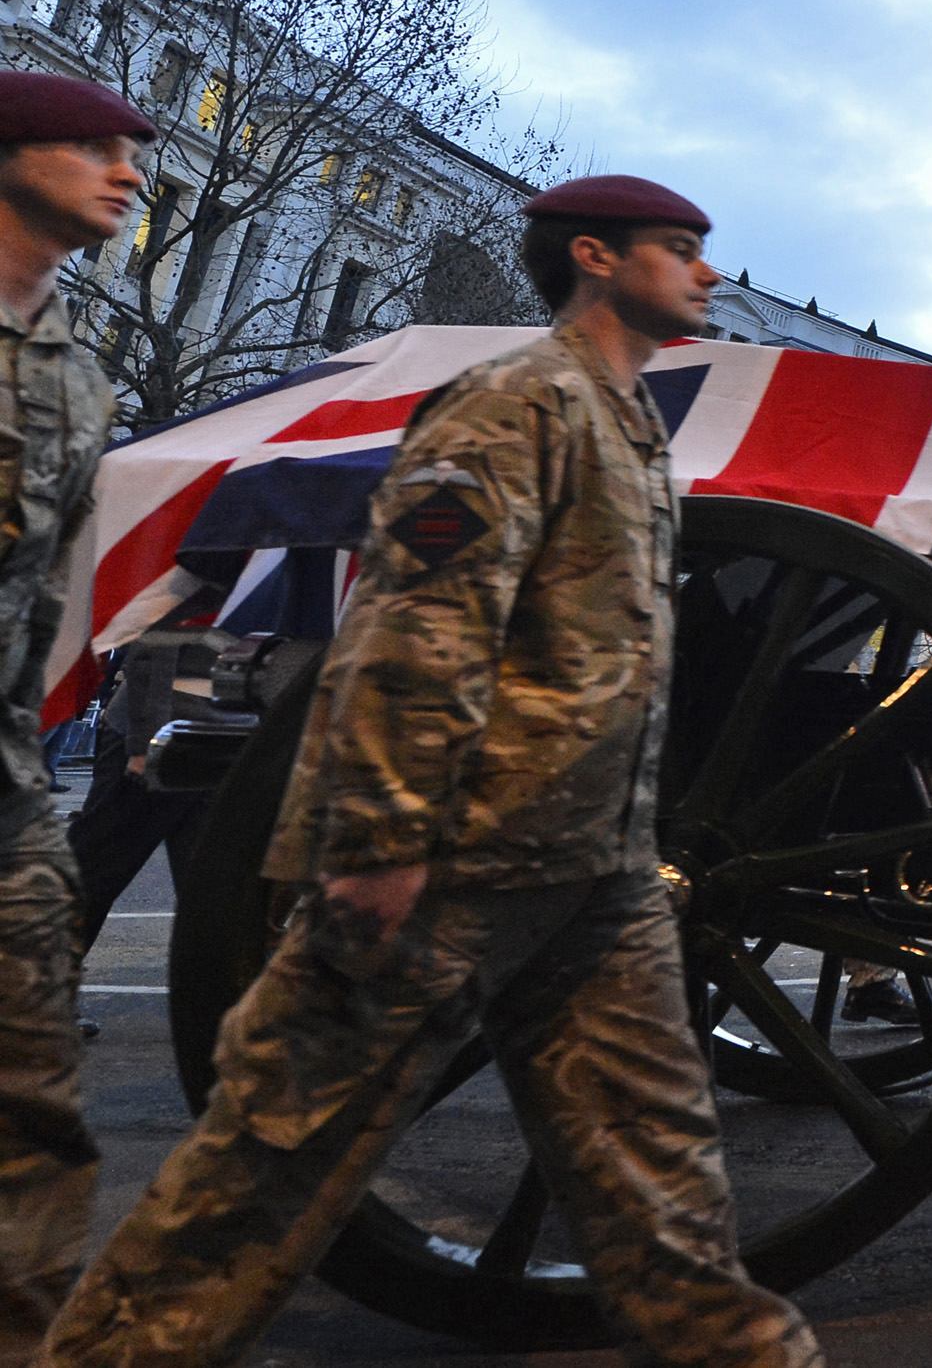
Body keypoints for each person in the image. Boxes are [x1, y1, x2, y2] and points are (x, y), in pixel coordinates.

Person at [45, 175, 821, 1368]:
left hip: (593, 873)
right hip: (455, 865)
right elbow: (420, 628)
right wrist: (381, 841)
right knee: (258, 1176)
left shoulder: (625, 423)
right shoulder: (512, 407)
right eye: (680, 248)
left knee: (668, 1200)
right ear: (597, 259)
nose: (708, 272)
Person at [0, 73, 152, 1365]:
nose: (129, 170)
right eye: (95, 146)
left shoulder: (82, 385)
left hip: (5, 812)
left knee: (37, 1125)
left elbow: (50, 597)